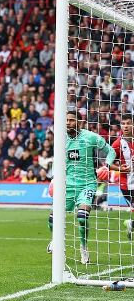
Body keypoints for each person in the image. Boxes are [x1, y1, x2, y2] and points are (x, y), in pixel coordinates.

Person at [47, 110, 116, 264]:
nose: (68, 123)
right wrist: (54, 180)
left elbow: (110, 151)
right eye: (66, 120)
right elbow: (58, 162)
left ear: (80, 122)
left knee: (82, 217)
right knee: (52, 219)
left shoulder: (90, 137)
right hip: (68, 185)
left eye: (71, 120)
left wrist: (107, 166)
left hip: (87, 184)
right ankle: (55, 240)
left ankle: (83, 248)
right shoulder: (61, 139)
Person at [109, 116, 134, 239]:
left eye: (128, 123)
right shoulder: (117, 143)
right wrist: (120, 169)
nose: (125, 126)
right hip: (127, 185)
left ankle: (131, 224)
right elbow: (108, 164)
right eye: (123, 124)